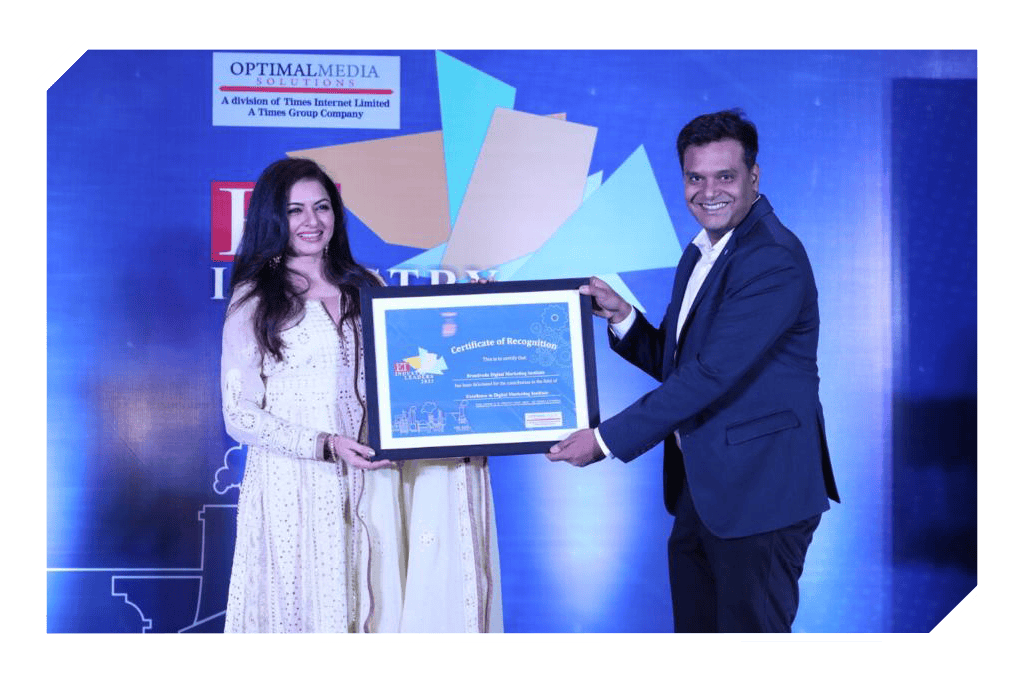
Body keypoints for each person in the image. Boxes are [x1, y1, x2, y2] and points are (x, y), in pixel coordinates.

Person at [547, 110, 839, 633]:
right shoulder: (704, 251)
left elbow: (709, 376)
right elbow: (682, 364)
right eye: (695, 177)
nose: (708, 192)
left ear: (754, 176)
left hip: (760, 495)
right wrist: (623, 316)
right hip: (704, 491)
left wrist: (605, 441)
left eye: (725, 176)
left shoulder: (771, 258)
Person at [221, 158, 501, 633]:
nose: (312, 221)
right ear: (273, 218)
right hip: (298, 482)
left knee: (380, 605)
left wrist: (469, 315)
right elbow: (238, 414)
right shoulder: (256, 299)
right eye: (295, 210)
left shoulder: (367, 286)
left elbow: (410, 368)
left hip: (375, 476)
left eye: (322, 207)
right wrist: (325, 444)